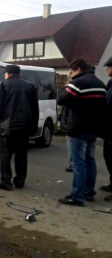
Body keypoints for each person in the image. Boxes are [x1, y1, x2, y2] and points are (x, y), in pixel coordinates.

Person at [57, 58, 106, 206]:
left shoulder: (78, 83)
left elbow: (61, 99)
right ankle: (89, 192)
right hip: (94, 127)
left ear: (78, 69)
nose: (70, 74)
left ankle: (77, 196)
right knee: (90, 161)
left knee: (77, 163)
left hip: (78, 128)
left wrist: (66, 86)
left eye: (71, 72)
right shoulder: (100, 84)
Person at [0, 64, 39, 190]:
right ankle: (20, 180)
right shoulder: (29, 86)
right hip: (24, 126)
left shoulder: (3, 85)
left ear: (8, 74)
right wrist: (33, 125)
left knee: (5, 154)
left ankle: (6, 181)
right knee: (21, 154)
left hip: (7, 126)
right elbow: (35, 109)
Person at [100, 56, 112, 201]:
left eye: (108, 67)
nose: (107, 69)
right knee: (108, 157)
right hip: (108, 130)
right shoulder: (109, 85)